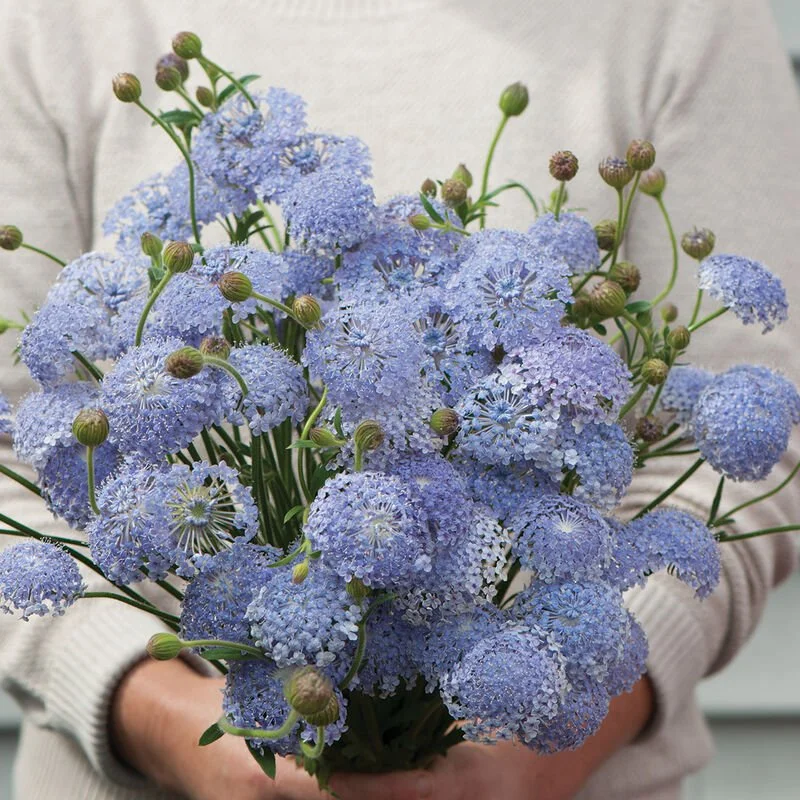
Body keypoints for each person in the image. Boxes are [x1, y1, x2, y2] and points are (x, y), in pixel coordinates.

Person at [0, 1, 798, 798]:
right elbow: (12, 455)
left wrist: (531, 755)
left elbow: (755, 435)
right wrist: (169, 722)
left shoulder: (686, 18)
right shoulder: (55, 19)